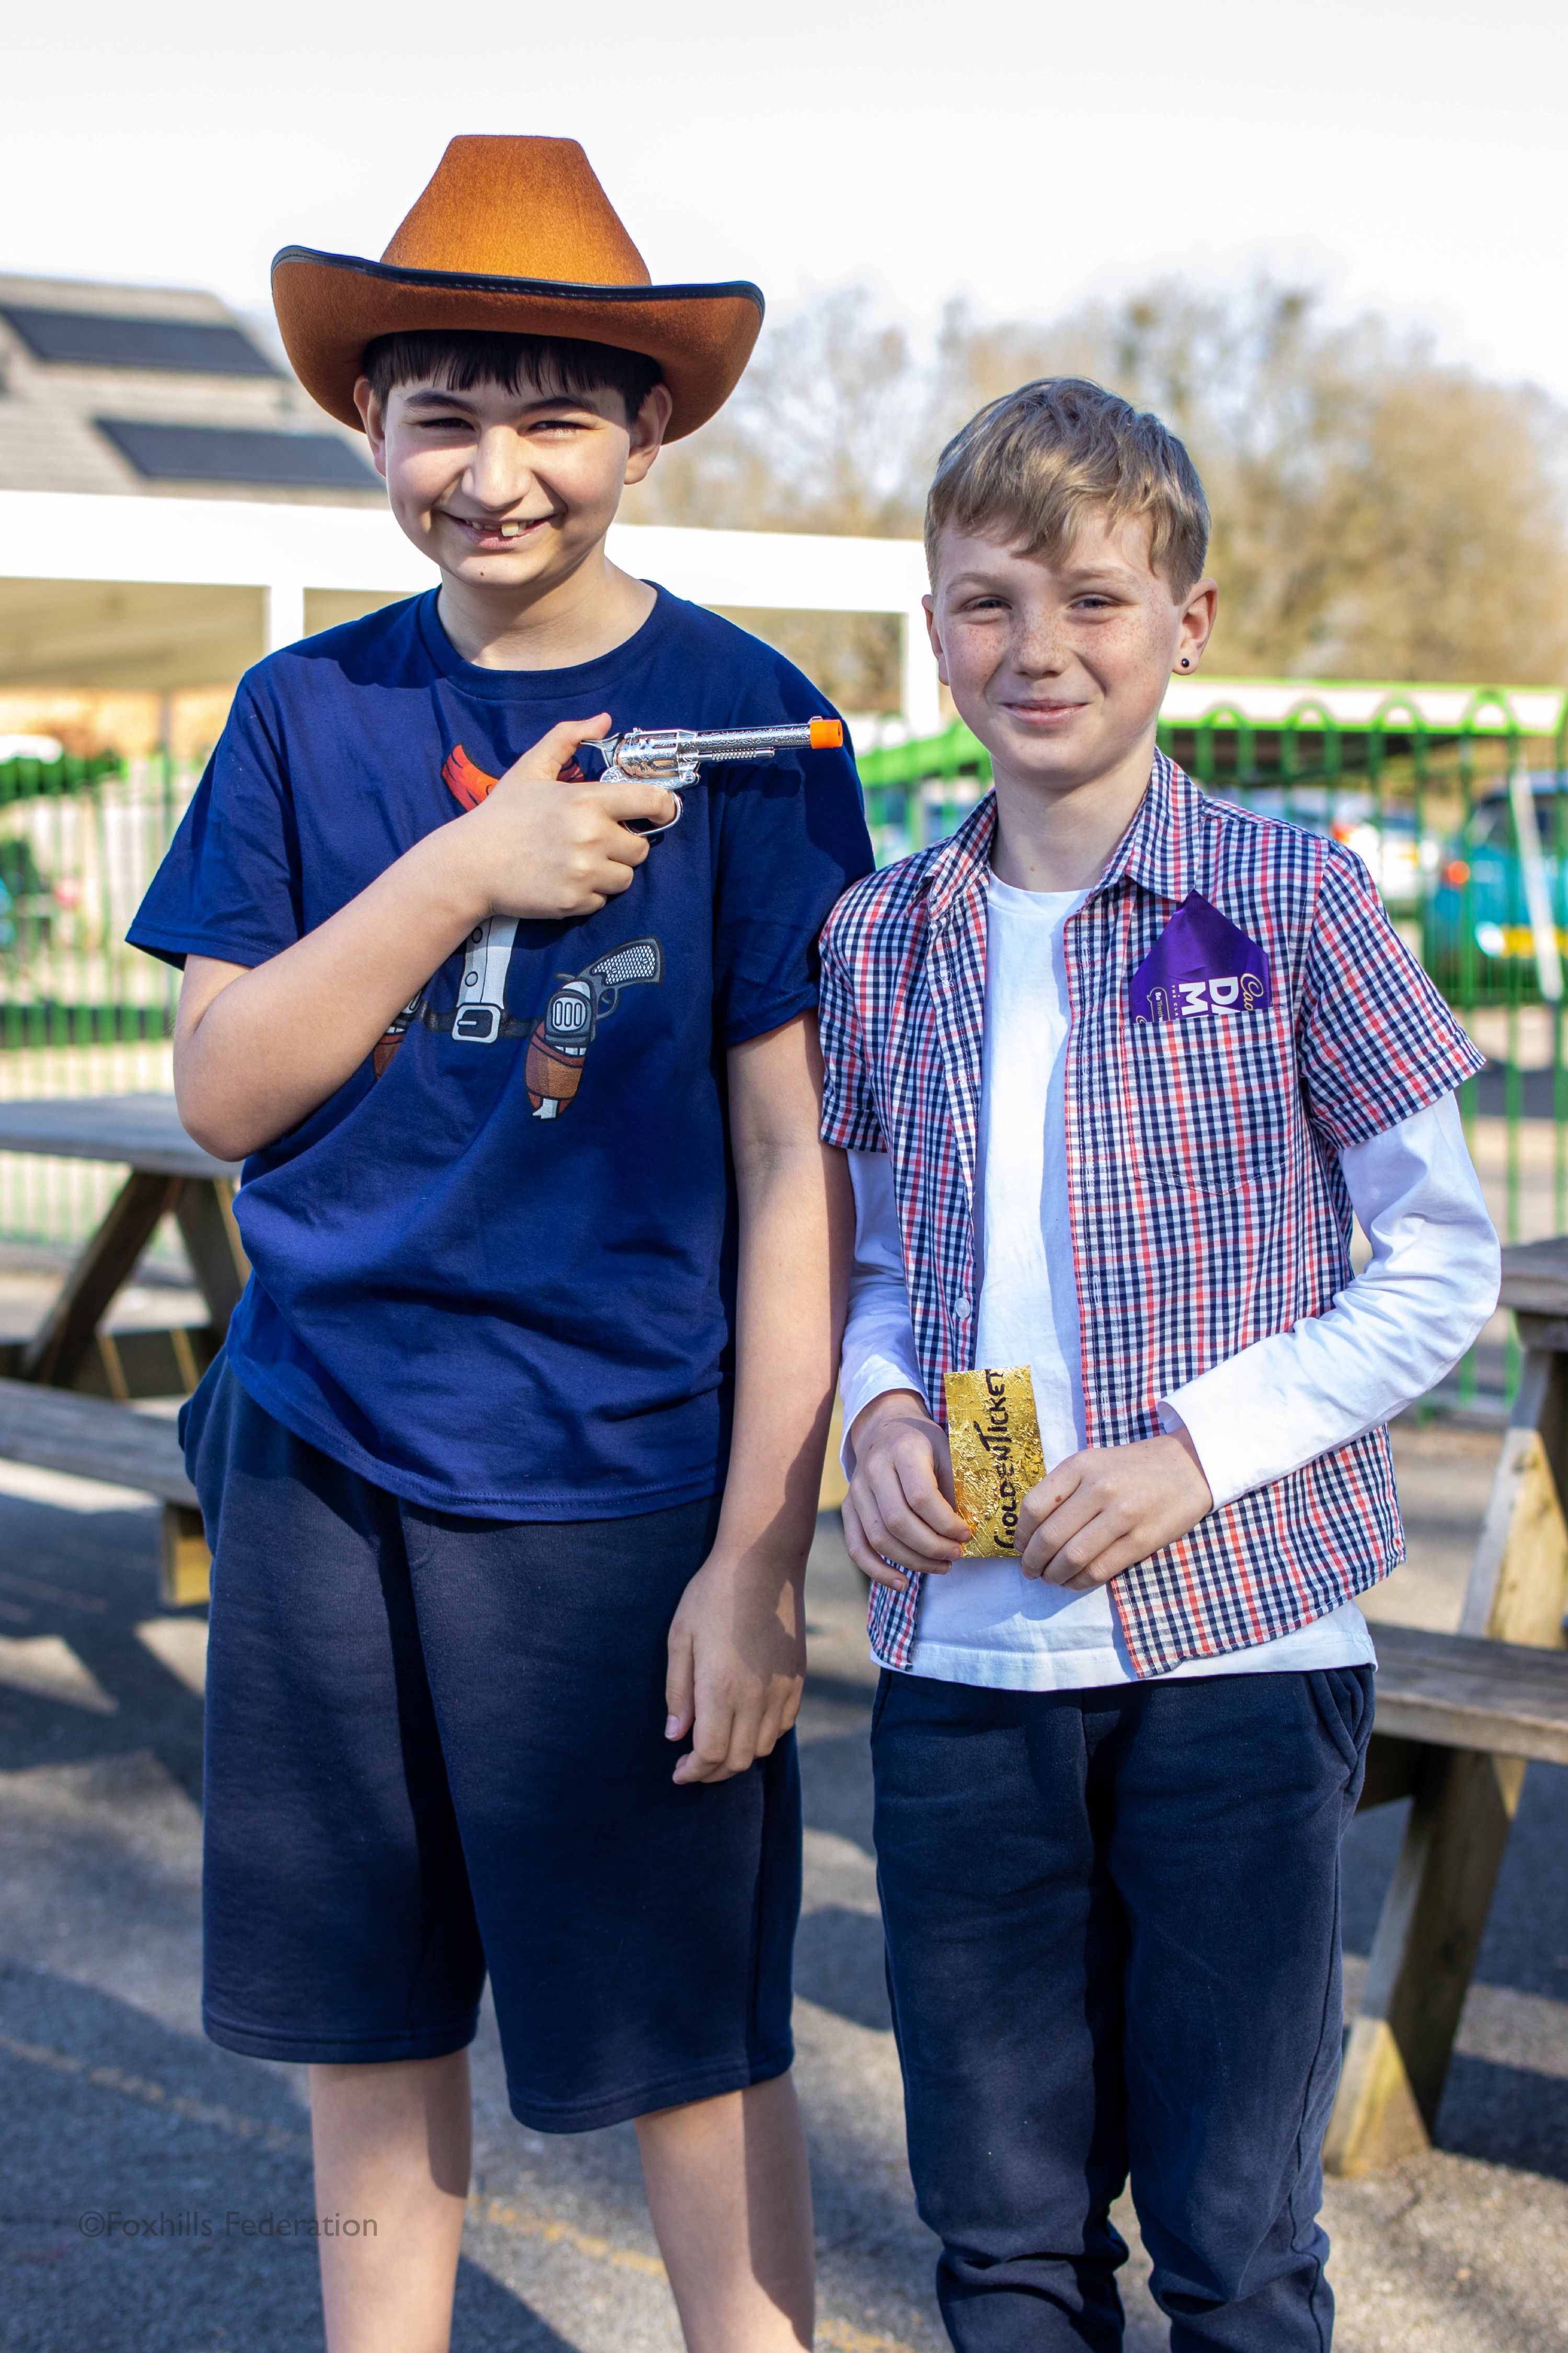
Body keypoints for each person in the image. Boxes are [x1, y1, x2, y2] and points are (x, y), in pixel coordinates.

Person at [128, 134, 871, 2353]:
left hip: (619, 1491)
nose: (496, 468)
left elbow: (788, 1171)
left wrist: (757, 1557)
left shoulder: (761, 735)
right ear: (371, 427)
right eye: (442, 409)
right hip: (325, 1456)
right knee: (366, 2032)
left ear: (648, 430)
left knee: (688, 2047)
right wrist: (467, 874)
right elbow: (225, 1090)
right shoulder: (306, 716)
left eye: (556, 413)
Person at [819, 376, 1500, 2349]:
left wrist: (1204, 1448)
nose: (1039, 650)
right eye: (988, 603)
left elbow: (1436, 1258)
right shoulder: (883, 941)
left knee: (1236, 2237)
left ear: (1187, 624)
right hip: (968, 1669)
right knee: (1007, 2239)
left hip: (1238, 1658)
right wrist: (873, 1408)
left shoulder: (1290, 900)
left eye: (1094, 600)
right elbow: (877, 1262)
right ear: (932, 623)